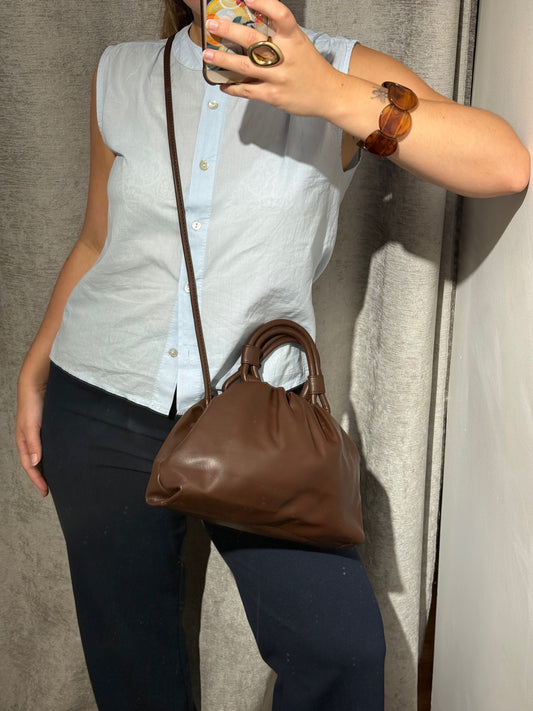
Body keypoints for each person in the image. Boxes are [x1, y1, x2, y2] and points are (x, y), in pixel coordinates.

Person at [15, 1, 529, 710]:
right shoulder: (121, 73)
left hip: (257, 417)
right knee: (133, 671)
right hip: (100, 399)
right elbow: (96, 240)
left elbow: (503, 163)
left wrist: (328, 93)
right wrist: (36, 368)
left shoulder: (339, 67)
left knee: (341, 653)